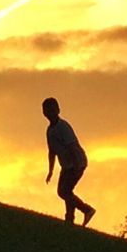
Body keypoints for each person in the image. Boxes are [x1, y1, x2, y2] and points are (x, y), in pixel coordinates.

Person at [42, 96, 94, 226]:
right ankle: (69, 220)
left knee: (63, 191)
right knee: (67, 192)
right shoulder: (49, 131)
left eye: (52, 110)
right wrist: (50, 171)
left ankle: (87, 210)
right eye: (47, 111)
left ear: (58, 110)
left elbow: (73, 147)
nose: (50, 113)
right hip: (66, 166)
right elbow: (52, 152)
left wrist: (77, 167)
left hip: (77, 163)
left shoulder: (63, 127)